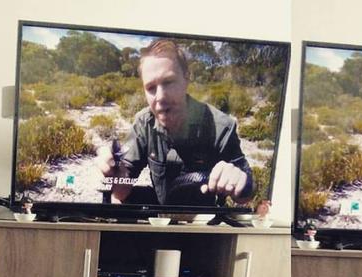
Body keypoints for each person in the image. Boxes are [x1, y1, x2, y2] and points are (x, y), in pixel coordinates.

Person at [96, 39, 252, 206]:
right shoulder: (144, 123)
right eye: (151, 88)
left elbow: (246, 195)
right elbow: (122, 192)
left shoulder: (221, 127)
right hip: (160, 213)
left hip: (201, 218)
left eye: (168, 82)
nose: (160, 97)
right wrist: (112, 173)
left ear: (186, 78)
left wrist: (240, 182)